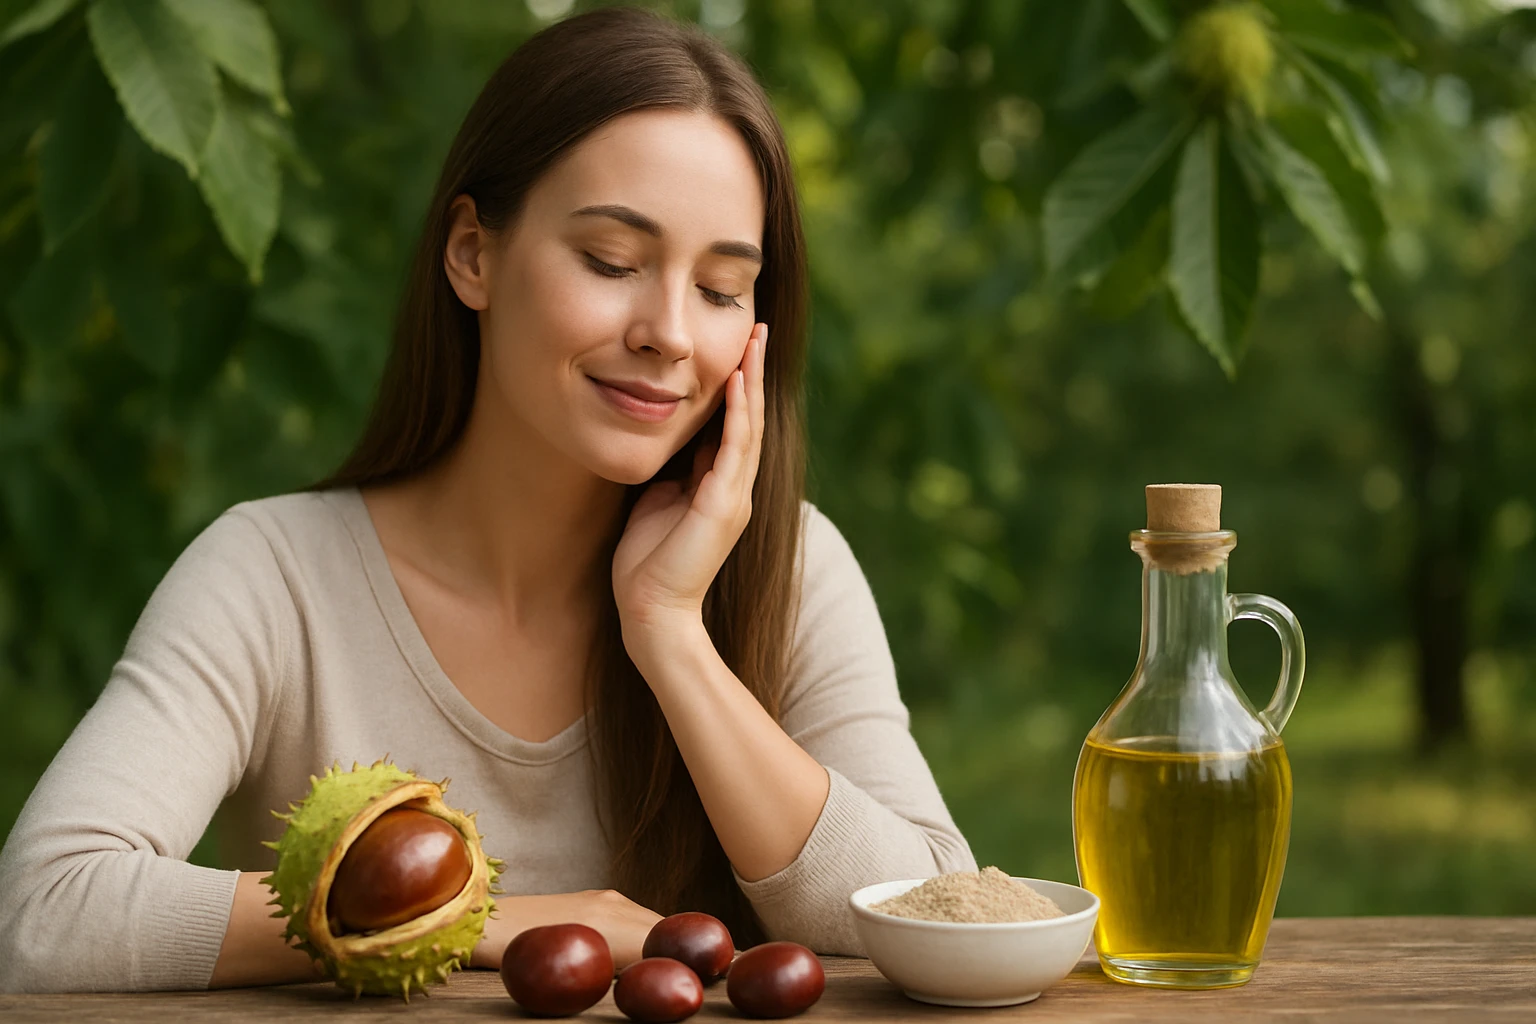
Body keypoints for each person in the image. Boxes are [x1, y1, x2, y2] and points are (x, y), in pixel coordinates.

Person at [0, 7, 975, 993]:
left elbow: (938, 909)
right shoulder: (274, 574)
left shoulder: (789, 567)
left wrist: (673, 637)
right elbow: (44, 910)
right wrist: (496, 917)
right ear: (473, 254)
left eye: (722, 287)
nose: (671, 333)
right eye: (611, 262)